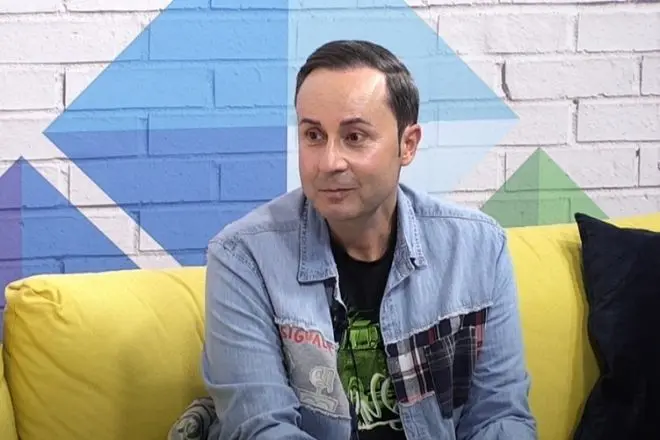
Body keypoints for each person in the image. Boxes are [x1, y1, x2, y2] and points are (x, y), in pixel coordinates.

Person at [201, 39, 537, 440]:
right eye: (313, 135)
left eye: (355, 137)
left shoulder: (478, 248)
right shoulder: (243, 257)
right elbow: (262, 428)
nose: (329, 162)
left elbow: (499, 416)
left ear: (407, 145)